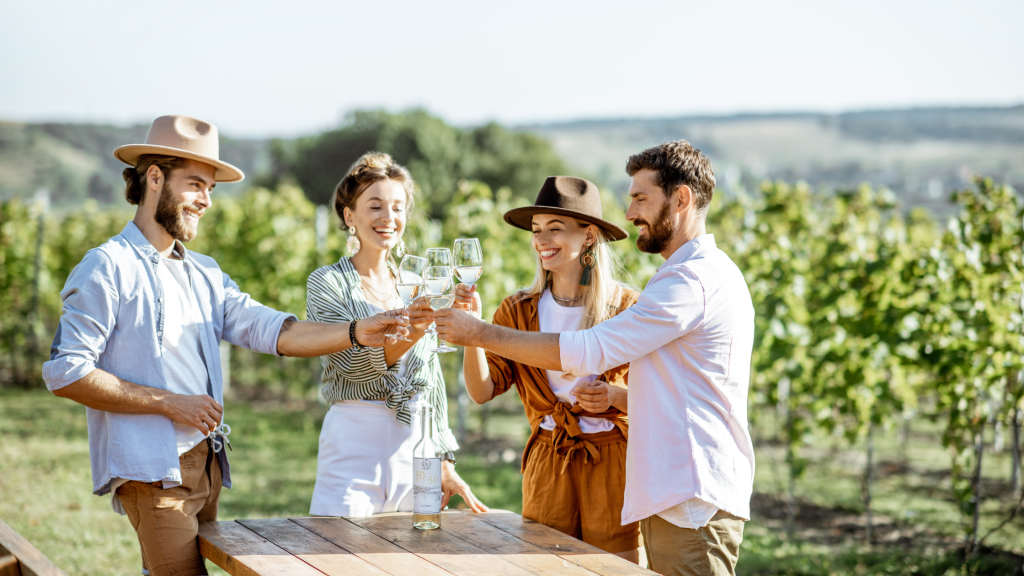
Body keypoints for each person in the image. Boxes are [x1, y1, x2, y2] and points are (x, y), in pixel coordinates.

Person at [42, 115, 406, 576]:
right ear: (154, 177)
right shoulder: (107, 267)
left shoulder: (204, 272)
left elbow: (275, 330)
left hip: (206, 463)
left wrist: (356, 331)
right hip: (155, 471)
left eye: (210, 188)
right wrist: (170, 403)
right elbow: (66, 372)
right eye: (196, 184)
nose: (206, 201)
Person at [434, 141, 755, 576]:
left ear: (681, 199)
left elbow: (589, 350)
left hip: (683, 491)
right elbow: (667, 387)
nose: (630, 212)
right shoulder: (682, 277)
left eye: (641, 197)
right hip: (662, 486)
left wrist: (477, 331)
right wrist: (477, 334)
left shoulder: (684, 283)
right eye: (537, 230)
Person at [453, 176, 640, 561]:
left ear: (588, 236)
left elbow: (660, 397)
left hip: (612, 463)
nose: (541, 240)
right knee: (544, 565)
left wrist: (614, 397)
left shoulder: (627, 308)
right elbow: (481, 392)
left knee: (615, 568)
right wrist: (473, 331)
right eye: (537, 231)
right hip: (549, 460)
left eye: (555, 229)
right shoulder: (518, 310)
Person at [306, 152, 487, 517]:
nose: (389, 218)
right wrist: (416, 330)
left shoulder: (419, 286)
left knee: (414, 562)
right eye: (375, 206)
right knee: (337, 560)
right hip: (354, 445)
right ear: (349, 216)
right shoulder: (327, 283)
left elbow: (430, 381)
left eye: (398, 208)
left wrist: (444, 458)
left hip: (416, 450)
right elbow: (352, 364)